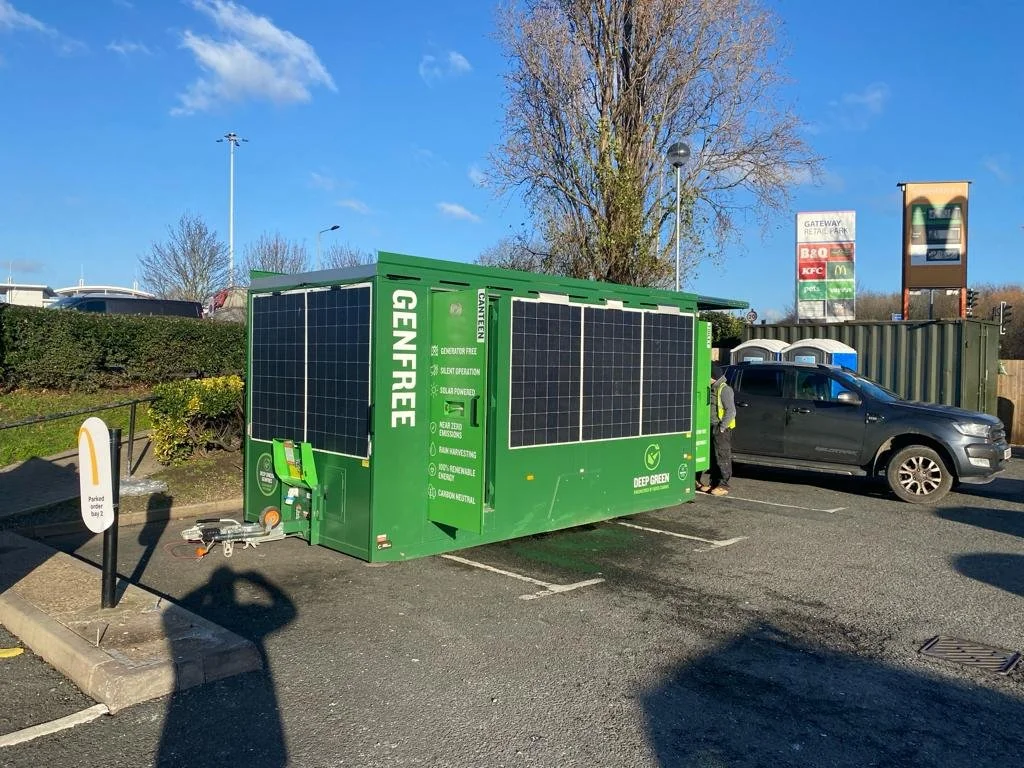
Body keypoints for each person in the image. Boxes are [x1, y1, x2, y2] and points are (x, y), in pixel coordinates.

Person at [697, 362, 736, 496]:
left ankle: (723, 485)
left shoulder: (724, 389)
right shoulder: (712, 388)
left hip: (720, 429)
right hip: (710, 426)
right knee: (712, 457)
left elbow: (731, 411)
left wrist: (722, 427)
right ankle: (713, 483)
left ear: (712, 376)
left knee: (722, 456)